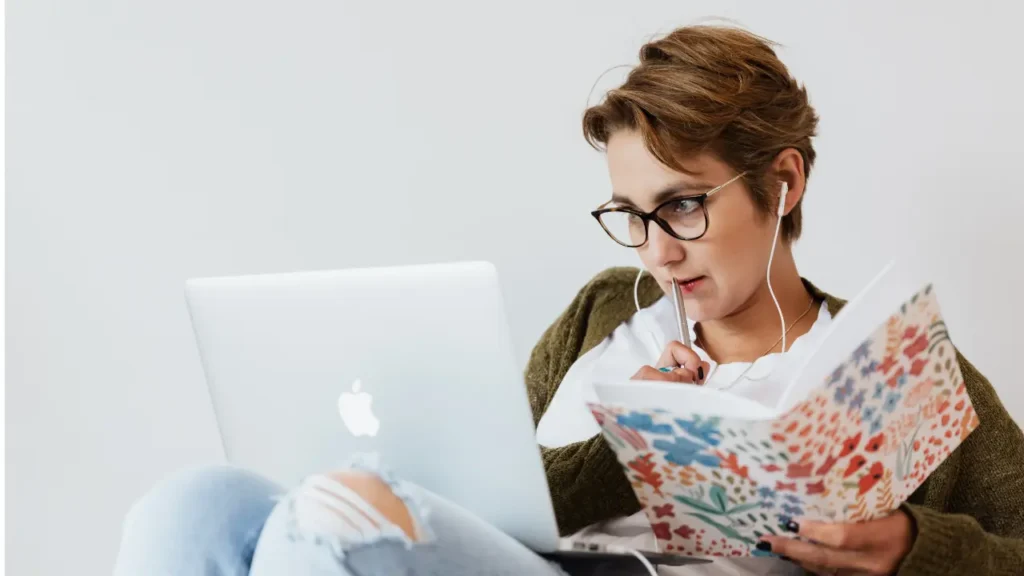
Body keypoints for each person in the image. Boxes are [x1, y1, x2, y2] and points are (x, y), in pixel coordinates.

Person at [113, 25, 1024, 576]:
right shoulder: (601, 314)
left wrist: (915, 546)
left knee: (328, 520)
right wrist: (631, 446)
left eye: (683, 205)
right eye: (631, 214)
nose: (659, 251)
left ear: (781, 181)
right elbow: (489, 509)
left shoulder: (887, 367)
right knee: (193, 506)